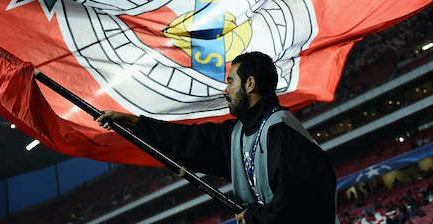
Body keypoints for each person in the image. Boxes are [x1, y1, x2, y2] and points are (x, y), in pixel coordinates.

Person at [97, 51, 338, 224]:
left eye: (231, 81)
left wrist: (255, 216)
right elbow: (188, 141)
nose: (225, 90)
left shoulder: (282, 132)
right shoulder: (237, 134)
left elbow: (301, 205)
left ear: (250, 84)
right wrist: (133, 123)